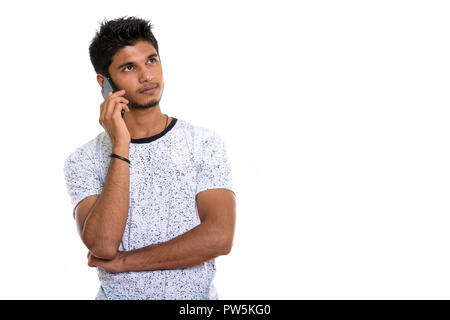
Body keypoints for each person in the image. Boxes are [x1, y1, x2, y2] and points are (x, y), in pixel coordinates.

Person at [63, 16, 236, 300]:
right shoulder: (83, 160)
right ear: (104, 82)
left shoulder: (203, 143)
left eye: (151, 61)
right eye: (129, 67)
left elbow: (219, 237)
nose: (147, 76)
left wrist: (125, 262)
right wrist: (121, 145)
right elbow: (103, 245)